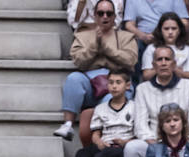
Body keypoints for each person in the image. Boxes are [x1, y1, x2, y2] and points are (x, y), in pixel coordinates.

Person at [54, 0, 136, 142]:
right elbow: (78, 61)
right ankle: (67, 125)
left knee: (112, 96)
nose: (105, 17)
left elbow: (130, 60)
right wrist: (94, 45)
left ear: (114, 16)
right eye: (101, 13)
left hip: (114, 84)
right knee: (73, 78)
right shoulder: (83, 36)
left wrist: (106, 48)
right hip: (91, 84)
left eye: (109, 14)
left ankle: (110, 139)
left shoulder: (125, 37)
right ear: (95, 15)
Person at [124, 45, 189, 157]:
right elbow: (140, 124)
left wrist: (184, 140)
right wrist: (157, 142)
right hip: (154, 141)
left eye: (167, 59)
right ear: (153, 65)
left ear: (174, 64)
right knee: (132, 147)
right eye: (159, 59)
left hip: (184, 140)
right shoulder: (143, 89)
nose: (163, 63)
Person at [58, 68, 134, 157]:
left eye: (118, 83)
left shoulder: (135, 108)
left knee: (101, 156)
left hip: (125, 147)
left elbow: (140, 134)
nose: (114, 86)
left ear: (128, 86)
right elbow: (96, 133)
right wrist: (99, 142)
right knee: (82, 153)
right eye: (111, 82)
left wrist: (126, 142)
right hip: (106, 143)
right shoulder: (100, 108)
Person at [142, 10, 189, 81]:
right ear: (160, 30)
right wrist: (165, 67)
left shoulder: (187, 50)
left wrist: (172, 68)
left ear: (179, 30)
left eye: (174, 28)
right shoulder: (151, 48)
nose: (170, 32)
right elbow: (146, 76)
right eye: (166, 29)